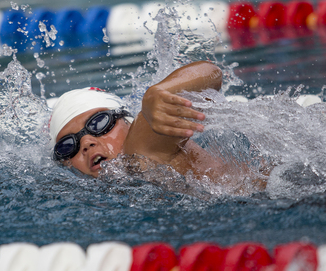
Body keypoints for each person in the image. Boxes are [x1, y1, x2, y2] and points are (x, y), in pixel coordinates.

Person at [49, 61, 236, 182]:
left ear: (127, 121)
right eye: (67, 145)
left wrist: (159, 92)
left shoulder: (138, 149)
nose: (86, 143)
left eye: (98, 123)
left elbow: (210, 73)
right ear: (66, 163)